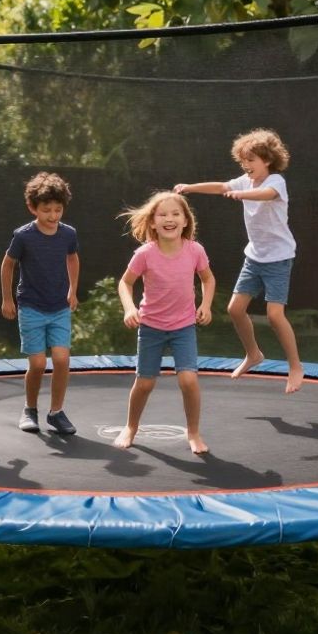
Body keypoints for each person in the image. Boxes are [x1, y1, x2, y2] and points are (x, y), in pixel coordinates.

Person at [174, 128, 305, 393]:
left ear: (267, 160)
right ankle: (253, 354)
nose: (246, 166)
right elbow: (222, 186)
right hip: (254, 257)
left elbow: (266, 195)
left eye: (251, 160)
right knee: (235, 309)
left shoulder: (276, 182)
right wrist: (190, 188)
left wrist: (242, 195)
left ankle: (295, 367)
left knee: (274, 315)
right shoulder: (245, 181)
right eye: (243, 161)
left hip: (279, 259)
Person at [112, 191, 215, 455]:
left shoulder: (195, 250)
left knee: (189, 380)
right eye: (163, 215)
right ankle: (131, 427)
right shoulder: (145, 254)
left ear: (185, 220)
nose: (169, 219)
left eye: (175, 214)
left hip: (183, 326)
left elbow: (208, 279)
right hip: (151, 327)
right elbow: (125, 282)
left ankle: (193, 433)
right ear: (153, 223)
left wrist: (205, 305)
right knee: (145, 383)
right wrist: (129, 308)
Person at [0, 172, 81, 434]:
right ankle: (30, 408)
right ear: (32, 207)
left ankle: (56, 412)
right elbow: (8, 265)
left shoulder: (68, 234)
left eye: (58, 210)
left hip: (59, 306)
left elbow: (73, 259)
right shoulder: (24, 236)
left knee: (61, 358)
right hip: (31, 305)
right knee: (37, 364)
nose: (53, 216)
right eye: (47, 210)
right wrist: (7, 298)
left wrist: (73, 290)